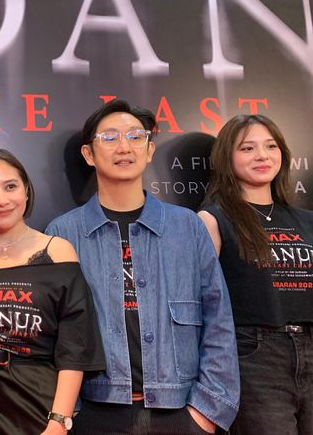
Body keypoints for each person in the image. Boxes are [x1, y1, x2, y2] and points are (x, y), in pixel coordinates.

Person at [46, 99, 240, 434]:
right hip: (93, 412)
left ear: (149, 150)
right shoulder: (63, 233)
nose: (124, 147)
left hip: (178, 411)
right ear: (89, 154)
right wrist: (68, 414)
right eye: (110, 137)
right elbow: (52, 333)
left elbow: (218, 319)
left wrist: (205, 414)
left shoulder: (187, 227)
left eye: (136, 137)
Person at [0, 148, 105, 435]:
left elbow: (74, 348)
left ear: (26, 190)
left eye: (10, 186)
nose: (1, 200)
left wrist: (58, 422)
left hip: (38, 406)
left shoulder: (58, 251)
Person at [198, 114, 313, 435]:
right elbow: (199, 301)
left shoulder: (307, 220)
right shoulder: (212, 219)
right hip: (255, 357)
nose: (262, 156)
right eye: (247, 148)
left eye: (270, 146)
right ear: (227, 157)